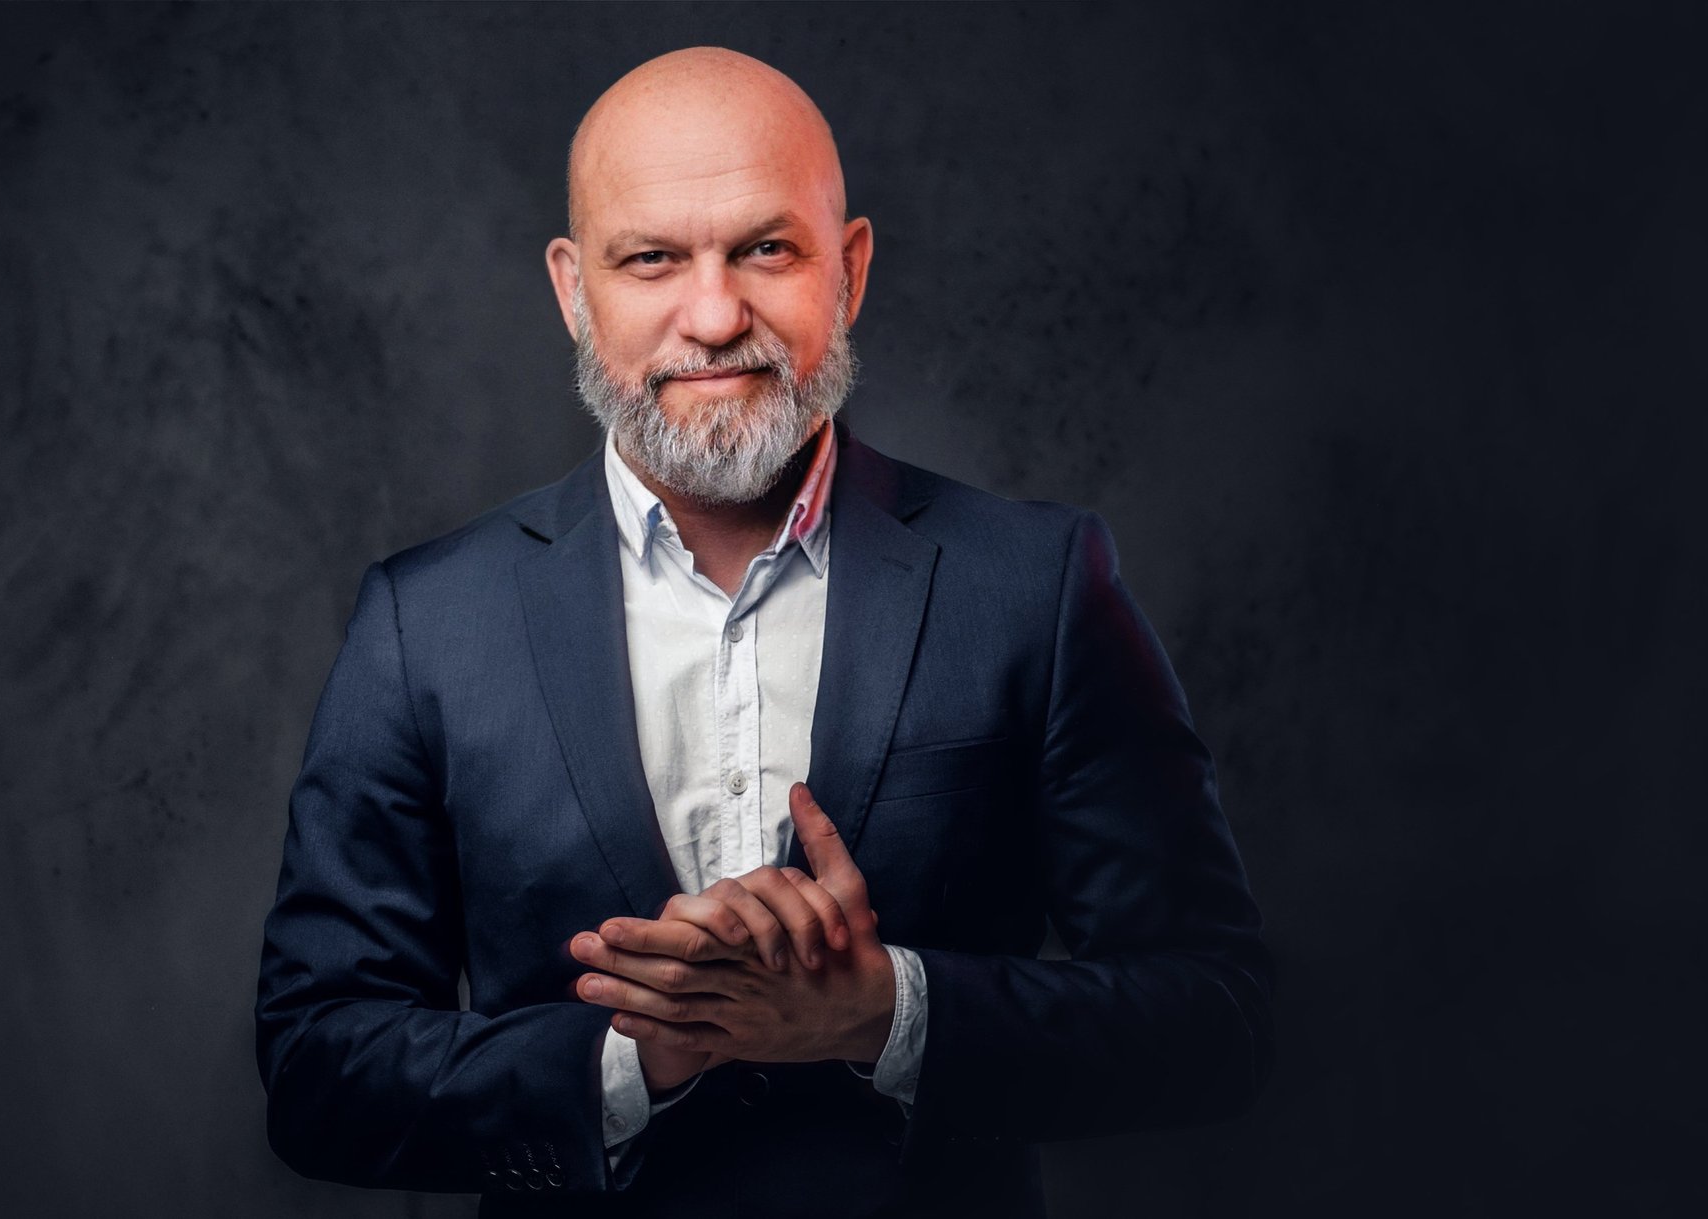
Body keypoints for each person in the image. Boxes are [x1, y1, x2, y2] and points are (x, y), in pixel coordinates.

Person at [256, 47, 1272, 1218]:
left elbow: (1217, 1017)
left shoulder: (1036, 585)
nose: (714, 315)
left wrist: (890, 1013)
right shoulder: (424, 621)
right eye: (651, 258)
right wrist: (636, 1059)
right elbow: (317, 1068)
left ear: (850, 270)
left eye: (767, 250)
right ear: (574, 290)